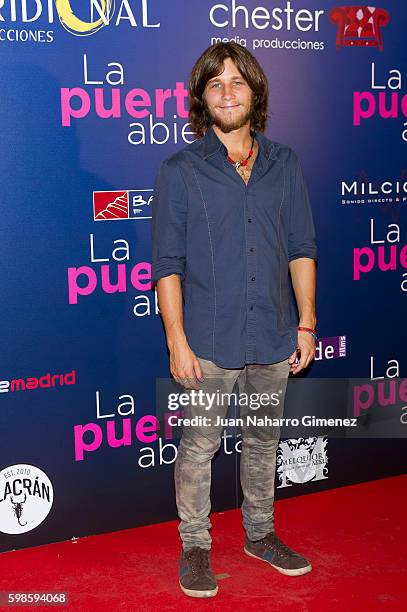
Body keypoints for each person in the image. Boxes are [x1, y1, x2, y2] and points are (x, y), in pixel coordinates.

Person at [151, 42, 317, 598]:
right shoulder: (179, 171)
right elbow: (168, 264)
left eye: (238, 81)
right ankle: (195, 547)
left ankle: (260, 534)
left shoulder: (284, 164)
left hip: (273, 332)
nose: (227, 91)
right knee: (199, 446)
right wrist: (177, 340)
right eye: (216, 82)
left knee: (263, 440)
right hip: (206, 340)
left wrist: (306, 323)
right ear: (200, 97)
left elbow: (300, 247)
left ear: (256, 92)